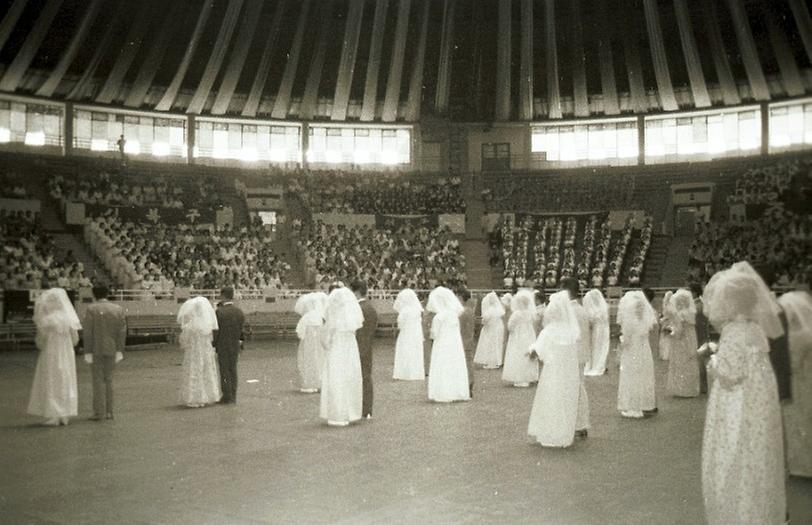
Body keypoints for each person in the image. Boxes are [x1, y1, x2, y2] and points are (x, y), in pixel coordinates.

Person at [701, 262, 785, 524]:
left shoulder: (734, 330)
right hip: (757, 400)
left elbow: (729, 374)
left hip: (736, 401)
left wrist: (711, 359)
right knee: (755, 453)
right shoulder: (755, 328)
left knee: (732, 452)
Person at [527, 291, 582, 448]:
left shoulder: (549, 331)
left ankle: (550, 434)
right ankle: (564, 434)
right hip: (569, 372)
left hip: (552, 371)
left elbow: (538, 351)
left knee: (551, 399)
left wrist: (531, 351)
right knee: (565, 400)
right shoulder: (572, 331)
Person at [28, 288, 81, 426]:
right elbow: (75, 340)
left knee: (51, 378)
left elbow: (40, 341)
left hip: (51, 352)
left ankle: (54, 414)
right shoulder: (69, 318)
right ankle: (64, 414)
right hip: (66, 353)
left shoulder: (47, 319)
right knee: (65, 379)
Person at [777, 291, 812, 478]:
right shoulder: (808, 331)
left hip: (799, 381)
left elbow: (793, 362)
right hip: (807, 378)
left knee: (798, 421)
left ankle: (801, 466)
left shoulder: (797, 336)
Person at [320, 286, 364, 426]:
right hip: (350, 350)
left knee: (336, 378)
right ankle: (351, 412)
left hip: (337, 350)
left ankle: (337, 413)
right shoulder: (351, 321)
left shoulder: (334, 320)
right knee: (350, 377)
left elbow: (325, 340)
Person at [82, 284, 126, 420]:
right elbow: (122, 332)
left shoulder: (91, 309)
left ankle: (98, 412)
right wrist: (120, 349)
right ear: (107, 294)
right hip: (112, 348)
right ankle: (109, 412)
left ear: (94, 294)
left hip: (96, 348)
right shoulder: (118, 309)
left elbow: (88, 332)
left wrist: (87, 351)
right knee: (109, 379)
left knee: (98, 381)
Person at [616, 290, 658, 418]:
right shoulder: (645, 321)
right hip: (643, 349)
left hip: (632, 350)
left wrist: (621, 343)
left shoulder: (630, 322)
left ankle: (633, 405)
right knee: (643, 374)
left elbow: (626, 339)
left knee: (632, 375)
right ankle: (645, 404)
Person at [426, 286, 470, 403]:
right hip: (454, 345)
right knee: (454, 366)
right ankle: (456, 391)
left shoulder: (439, 316)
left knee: (443, 366)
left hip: (442, 344)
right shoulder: (454, 314)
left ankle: (443, 392)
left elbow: (434, 334)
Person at [177, 296, 221, 407]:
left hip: (194, 353)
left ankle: (194, 397)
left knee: (194, 371)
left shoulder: (190, 326)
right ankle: (209, 395)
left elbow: (184, 342)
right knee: (206, 370)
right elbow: (211, 339)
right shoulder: (207, 325)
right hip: (205, 352)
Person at [561, 277, 590, 438]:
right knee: (579, 388)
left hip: (571, 355)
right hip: (580, 354)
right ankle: (580, 423)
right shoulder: (581, 309)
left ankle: (576, 423)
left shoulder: (569, 311)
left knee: (572, 389)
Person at [666, 289, 700, 398]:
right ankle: (691, 388)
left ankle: (682, 389)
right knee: (690, 362)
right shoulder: (691, 312)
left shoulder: (680, 314)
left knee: (681, 363)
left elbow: (679, 330)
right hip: (691, 338)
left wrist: (671, 332)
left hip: (681, 341)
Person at [351, 280, 378, 419]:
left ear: (355, 292)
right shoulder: (370, 308)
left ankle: (360, 408)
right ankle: (367, 409)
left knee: (358, 378)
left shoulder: (356, 308)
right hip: (367, 347)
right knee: (366, 378)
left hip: (356, 347)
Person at [213, 287, 244, 404]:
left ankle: (227, 395)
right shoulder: (239, 311)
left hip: (223, 344)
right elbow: (241, 331)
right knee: (233, 369)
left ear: (223, 296)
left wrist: (214, 344)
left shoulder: (219, 312)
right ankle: (233, 394)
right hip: (234, 344)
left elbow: (216, 331)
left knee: (224, 370)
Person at [502, 289, 538, 387]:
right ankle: (528, 377)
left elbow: (510, 326)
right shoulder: (530, 313)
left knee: (517, 354)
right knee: (527, 354)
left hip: (518, 336)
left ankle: (519, 377)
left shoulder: (517, 314)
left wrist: (512, 330)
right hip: (529, 335)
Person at [295, 292, 328, 393]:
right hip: (320, 345)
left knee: (308, 362)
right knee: (320, 361)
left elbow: (299, 332)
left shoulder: (306, 317)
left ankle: (310, 384)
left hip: (308, 345)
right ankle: (321, 383)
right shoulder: (321, 316)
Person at [392, 288, 425, 380]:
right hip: (416, 334)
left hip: (406, 334)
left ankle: (404, 373)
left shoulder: (405, 310)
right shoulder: (417, 310)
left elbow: (400, 324)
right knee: (415, 353)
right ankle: (415, 373)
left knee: (405, 351)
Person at [474, 291, 506, 369]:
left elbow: (484, 320)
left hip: (491, 329)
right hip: (498, 328)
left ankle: (492, 363)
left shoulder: (489, 310)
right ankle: (498, 361)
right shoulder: (499, 309)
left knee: (491, 346)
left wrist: (483, 322)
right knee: (497, 345)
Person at [582, 289, 610, 376]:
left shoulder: (593, 310)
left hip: (597, 330)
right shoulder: (603, 308)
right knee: (601, 347)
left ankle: (595, 365)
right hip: (603, 329)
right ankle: (599, 365)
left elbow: (590, 320)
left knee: (596, 347)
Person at [457, 288, 476, 397]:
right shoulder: (469, 310)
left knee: (466, 363)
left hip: (463, 340)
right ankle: (469, 384)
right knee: (468, 362)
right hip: (468, 339)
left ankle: (468, 384)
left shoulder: (462, 312)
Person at [658, 291, 675, 361]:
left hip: (668, 322)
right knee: (666, 338)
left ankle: (666, 354)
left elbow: (668, 316)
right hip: (667, 321)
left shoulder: (668, 306)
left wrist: (663, 319)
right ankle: (666, 354)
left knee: (666, 338)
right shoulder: (670, 306)